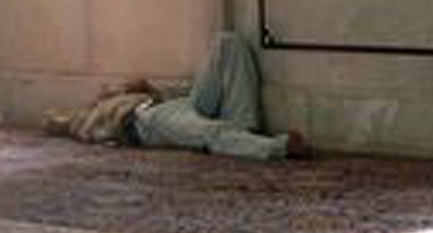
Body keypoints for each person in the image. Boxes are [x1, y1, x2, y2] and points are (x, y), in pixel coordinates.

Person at [45, 32, 304, 160]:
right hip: (148, 121)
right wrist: (68, 119)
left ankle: (244, 131)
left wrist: (146, 89)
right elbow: (58, 121)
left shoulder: (136, 94)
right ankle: (275, 147)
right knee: (208, 132)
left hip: (177, 101)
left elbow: (144, 86)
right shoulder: (91, 117)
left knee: (229, 42)